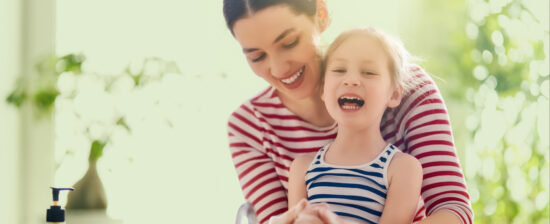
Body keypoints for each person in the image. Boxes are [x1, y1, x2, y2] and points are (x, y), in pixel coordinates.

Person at [223, 0, 473, 223]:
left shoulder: (408, 87)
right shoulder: (248, 126)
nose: (278, 69)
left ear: (321, 15)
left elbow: (454, 210)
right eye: (257, 57)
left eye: (290, 43)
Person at [287, 27, 423, 224]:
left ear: (393, 94)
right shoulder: (302, 168)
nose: (351, 80)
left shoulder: (402, 168)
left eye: (369, 72)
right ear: (324, 89)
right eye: (339, 70)